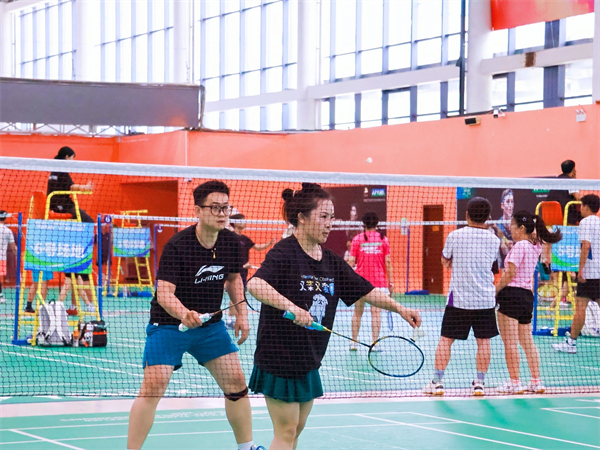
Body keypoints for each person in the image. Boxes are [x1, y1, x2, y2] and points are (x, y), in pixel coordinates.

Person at [247, 183, 421, 450]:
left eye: (332, 217)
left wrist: (400, 308)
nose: (330, 224)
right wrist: (292, 307)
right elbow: (255, 285)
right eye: (323, 217)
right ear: (302, 218)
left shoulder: (330, 260)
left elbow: (365, 290)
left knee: (296, 429)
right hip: (279, 355)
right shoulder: (284, 252)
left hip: (308, 357)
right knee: (287, 430)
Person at [127, 180, 262, 450]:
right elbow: (164, 294)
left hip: (210, 327)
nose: (222, 213)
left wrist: (242, 314)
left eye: (226, 208)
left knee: (236, 383)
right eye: (215, 208)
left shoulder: (231, 242)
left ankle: (247, 447)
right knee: (154, 386)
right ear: (198, 211)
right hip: (168, 325)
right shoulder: (178, 246)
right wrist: (184, 314)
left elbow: (234, 279)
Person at [423, 197, 500, 397]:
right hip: (485, 300)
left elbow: (444, 260)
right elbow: (491, 265)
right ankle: (479, 384)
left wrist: (452, 263)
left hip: (459, 300)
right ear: (488, 217)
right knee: (484, 341)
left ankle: (437, 383)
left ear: (466, 215)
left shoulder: (454, 236)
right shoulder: (494, 240)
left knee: (446, 340)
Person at [495, 211, 562, 394]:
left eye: (512, 225)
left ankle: (515, 382)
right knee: (527, 342)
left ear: (522, 228)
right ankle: (536, 381)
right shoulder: (536, 246)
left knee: (510, 343)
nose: (510, 229)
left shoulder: (520, 246)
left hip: (510, 295)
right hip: (526, 297)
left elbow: (510, 273)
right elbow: (545, 239)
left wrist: (496, 291)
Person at [553, 194, 600, 354]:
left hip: (589, 275)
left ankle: (571, 343)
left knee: (580, 309)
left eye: (581, 206)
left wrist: (580, 271)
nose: (580, 209)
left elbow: (585, 246)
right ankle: (570, 342)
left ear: (586, 206)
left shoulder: (586, 222)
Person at [348, 212, 394, 350]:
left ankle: (353, 342)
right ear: (377, 223)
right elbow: (388, 261)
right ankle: (374, 344)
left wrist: (346, 279)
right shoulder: (383, 239)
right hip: (378, 283)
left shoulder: (357, 239)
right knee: (376, 313)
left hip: (360, 282)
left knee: (357, 312)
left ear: (364, 224)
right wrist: (391, 282)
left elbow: (350, 261)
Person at [226, 213, 276, 327]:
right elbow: (227, 257)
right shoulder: (230, 237)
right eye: (242, 221)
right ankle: (230, 320)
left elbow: (257, 247)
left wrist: (269, 244)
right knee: (235, 296)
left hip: (244, 273)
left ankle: (234, 319)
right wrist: (242, 266)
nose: (245, 223)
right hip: (234, 273)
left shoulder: (244, 239)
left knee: (239, 296)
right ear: (236, 223)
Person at [47, 146, 94, 223]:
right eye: (72, 158)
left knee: (82, 213)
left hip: (53, 204)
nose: (73, 161)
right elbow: (72, 187)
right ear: (67, 157)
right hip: (62, 205)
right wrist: (85, 187)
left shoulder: (54, 171)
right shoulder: (61, 171)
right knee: (89, 220)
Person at [547, 160, 582, 225]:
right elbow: (578, 198)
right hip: (566, 216)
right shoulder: (571, 181)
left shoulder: (555, 181)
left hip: (550, 217)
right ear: (573, 170)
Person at [0, 211, 16, 304]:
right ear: (5, 218)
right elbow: (13, 247)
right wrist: (17, 254)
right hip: (1, 258)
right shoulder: (7, 231)